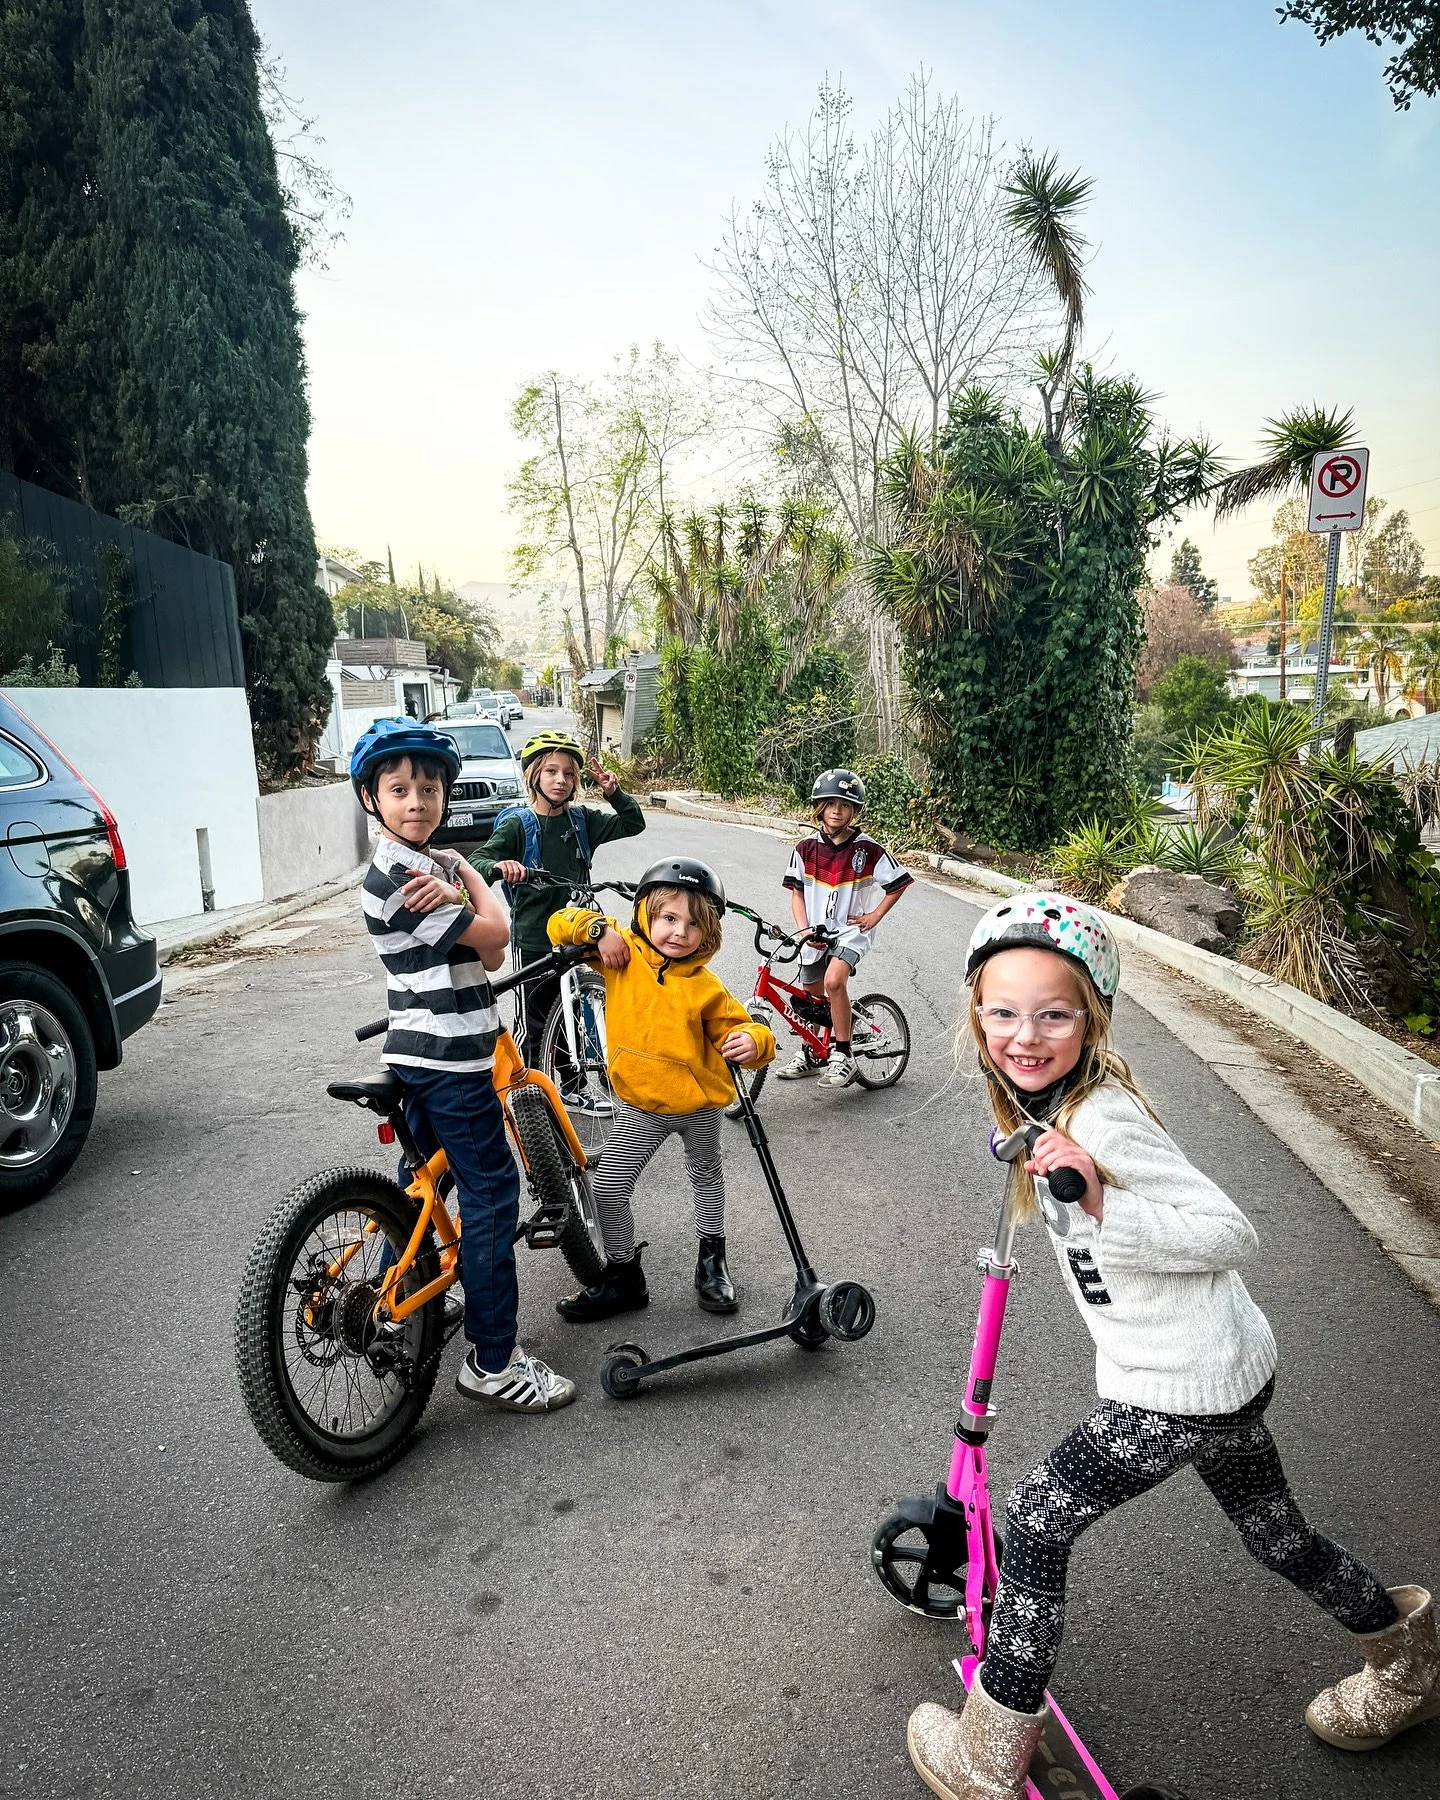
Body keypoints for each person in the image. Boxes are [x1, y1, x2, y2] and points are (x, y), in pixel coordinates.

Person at [906, 891, 1439, 1800]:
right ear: (976, 1012)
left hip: (1178, 1389)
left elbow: (1231, 1233)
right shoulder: (1046, 1104)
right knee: (1277, 1533)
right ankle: (1408, 1661)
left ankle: (987, 1754)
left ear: (1092, 1018)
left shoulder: (1101, 1121)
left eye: (1053, 1014)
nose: (1023, 1035)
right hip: (1225, 1371)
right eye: (1002, 1012)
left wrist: (1102, 1197)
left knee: (1036, 1521)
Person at [351, 717, 576, 1414]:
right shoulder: (400, 878)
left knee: (421, 1189)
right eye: (398, 789)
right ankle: (492, 1358)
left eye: (428, 788)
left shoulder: (429, 863)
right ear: (371, 798)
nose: (416, 801)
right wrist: (469, 890)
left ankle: (398, 1309)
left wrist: (463, 876)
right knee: (490, 1194)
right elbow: (497, 942)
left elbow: (479, 931)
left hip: (418, 1054)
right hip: (450, 1060)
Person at [544, 857, 776, 1318]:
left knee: (707, 1178)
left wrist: (754, 1041)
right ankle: (624, 1275)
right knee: (608, 1189)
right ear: (646, 914)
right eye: (668, 918)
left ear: (707, 934)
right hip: (640, 1106)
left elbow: (750, 1029)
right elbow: (558, 922)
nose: (678, 932)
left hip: (698, 1106)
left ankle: (712, 1261)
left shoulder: (707, 987)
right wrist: (596, 931)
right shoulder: (621, 955)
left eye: (693, 924)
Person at [470, 729, 645, 1098]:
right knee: (536, 1017)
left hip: (578, 932)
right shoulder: (518, 824)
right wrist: (503, 866)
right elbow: (477, 862)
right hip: (534, 937)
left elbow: (633, 824)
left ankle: (573, 1084)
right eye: (551, 771)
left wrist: (614, 792)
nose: (560, 780)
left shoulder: (582, 822)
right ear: (534, 775)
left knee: (574, 1008)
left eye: (568, 773)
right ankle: (533, 1092)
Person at [778, 768, 913, 1089]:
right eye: (830, 804)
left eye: (845, 805)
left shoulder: (868, 849)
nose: (837, 810)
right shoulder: (805, 848)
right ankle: (812, 1053)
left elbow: (898, 884)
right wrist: (803, 928)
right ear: (819, 807)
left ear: (855, 810)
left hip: (851, 932)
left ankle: (843, 1054)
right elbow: (796, 893)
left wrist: (874, 917)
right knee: (813, 998)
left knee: (834, 981)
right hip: (814, 933)